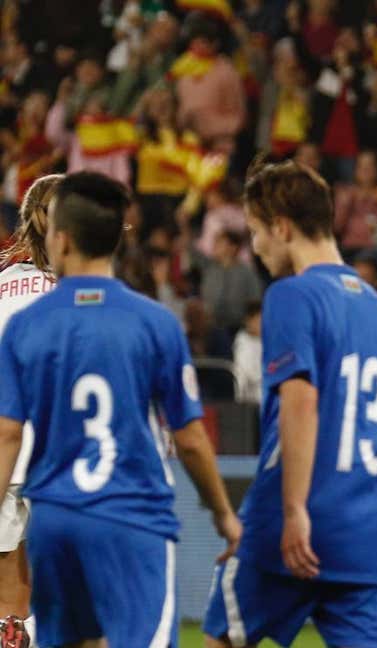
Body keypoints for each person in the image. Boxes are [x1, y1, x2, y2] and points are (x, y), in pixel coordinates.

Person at [0, 171, 239, 646]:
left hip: (48, 496)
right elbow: (189, 436)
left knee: (24, 611)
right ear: (116, 239)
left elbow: (7, 431)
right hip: (125, 502)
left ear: (57, 234)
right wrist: (223, 515)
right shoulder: (152, 320)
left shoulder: (24, 314)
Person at [203, 161, 377, 647]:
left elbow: (300, 402)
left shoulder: (291, 295)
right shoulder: (374, 303)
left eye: (255, 231)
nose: (256, 246)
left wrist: (291, 510)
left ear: (282, 226)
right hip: (367, 527)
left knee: (222, 638)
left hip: (298, 515)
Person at [0, 174, 62, 646]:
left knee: (9, 587)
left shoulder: (2, 282)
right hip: (61, 451)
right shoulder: (85, 286)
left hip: (7, 449)